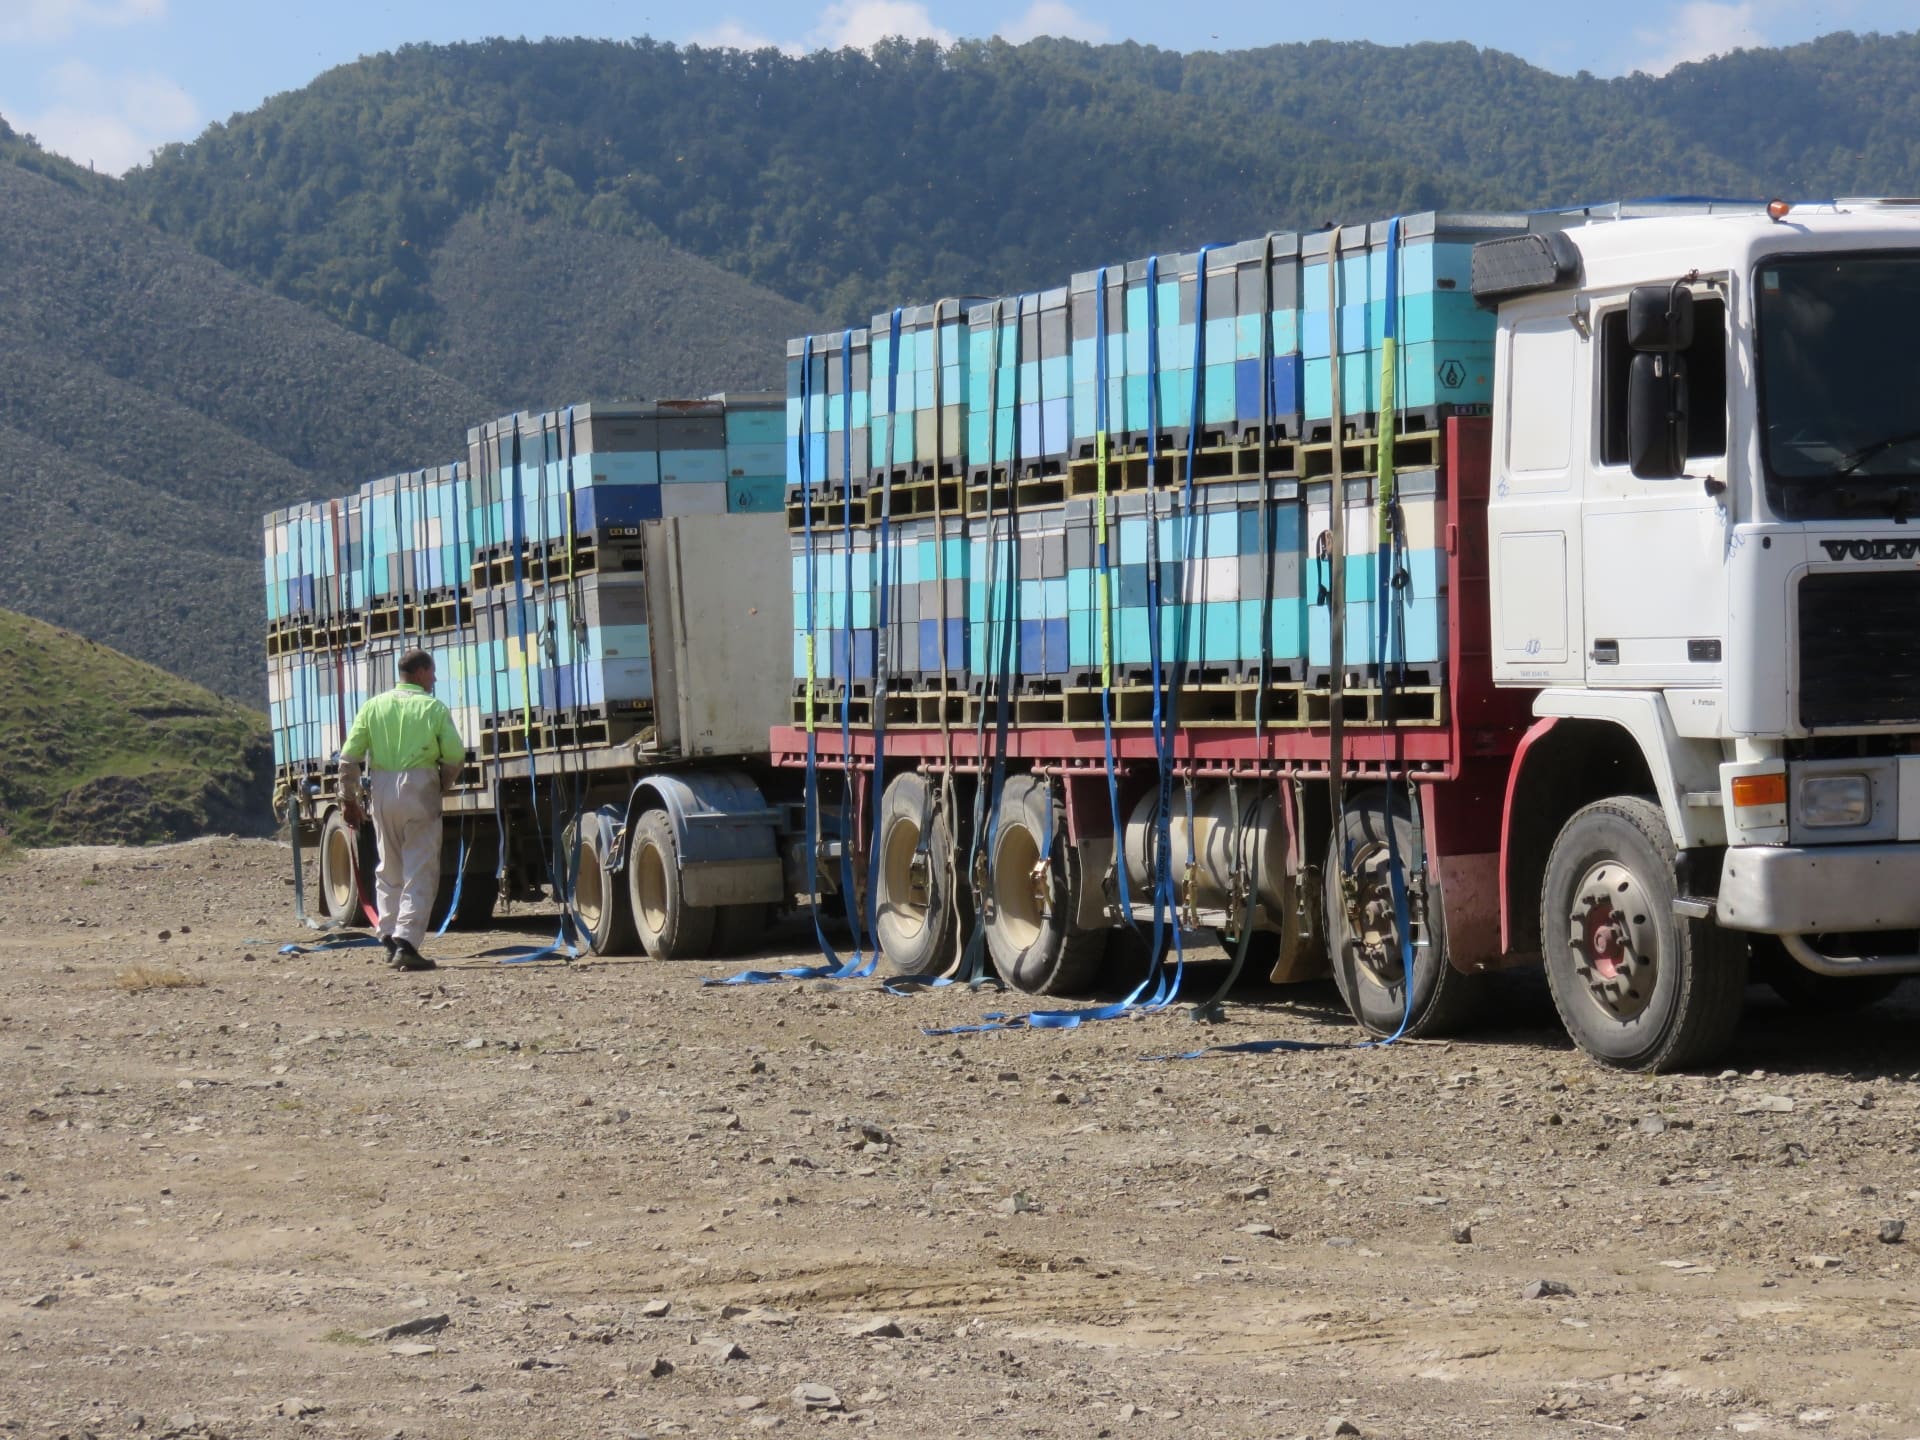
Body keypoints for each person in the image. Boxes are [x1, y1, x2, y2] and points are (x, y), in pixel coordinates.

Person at [337, 649, 466, 971]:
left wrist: (348, 799)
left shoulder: (373, 706)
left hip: (380, 787)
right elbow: (454, 756)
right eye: (433, 672)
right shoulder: (432, 707)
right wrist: (440, 785)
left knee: (389, 867)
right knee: (420, 869)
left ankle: (389, 937)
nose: (435, 679)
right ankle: (407, 942)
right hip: (419, 785)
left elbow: (348, 758)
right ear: (421, 672)